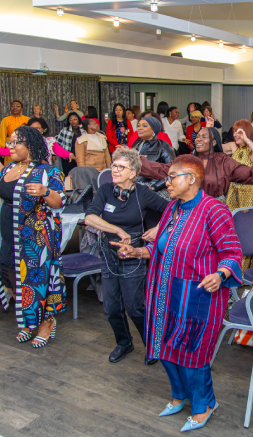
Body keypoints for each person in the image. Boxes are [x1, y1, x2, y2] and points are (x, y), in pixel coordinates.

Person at [114, 155, 243, 431]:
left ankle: (204, 405)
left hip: (196, 295)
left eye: (172, 177)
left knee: (192, 353)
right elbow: (162, 247)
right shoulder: (172, 208)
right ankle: (179, 394)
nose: (167, 182)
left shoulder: (214, 209)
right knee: (163, 346)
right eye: (167, 177)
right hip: (164, 292)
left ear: (192, 179)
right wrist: (136, 251)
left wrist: (220, 274)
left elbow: (232, 253)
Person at [0, 125, 66, 347]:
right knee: (12, 278)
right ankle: (29, 320)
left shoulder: (47, 171)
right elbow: (2, 190)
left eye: (15, 143)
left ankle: (46, 322)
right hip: (8, 235)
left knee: (36, 282)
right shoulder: (8, 168)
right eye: (9, 142)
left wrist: (45, 192)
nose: (10, 147)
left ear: (30, 145)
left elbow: (59, 202)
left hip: (35, 240)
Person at [85, 148, 169, 363]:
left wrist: (157, 229)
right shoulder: (105, 190)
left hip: (133, 254)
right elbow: (90, 218)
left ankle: (152, 344)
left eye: (121, 167)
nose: (115, 170)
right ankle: (124, 342)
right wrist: (117, 230)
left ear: (133, 173)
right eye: (114, 165)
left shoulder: (143, 193)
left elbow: (173, 210)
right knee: (111, 307)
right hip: (108, 253)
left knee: (135, 307)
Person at [138, 127, 253, 201]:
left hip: (215, 212)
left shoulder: (224, 161)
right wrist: (135, 161)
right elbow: (161, 169)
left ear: (214, 142)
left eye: (204, 137)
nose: (198, 139)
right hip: (190, 211)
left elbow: (249, 174)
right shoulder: (187, 160)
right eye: (198, 136)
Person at [221, 121, 253, 267]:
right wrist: (210, 128)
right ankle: (232, 265)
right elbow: (214, 147)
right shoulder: (233, 146)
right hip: (233, 191)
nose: (236, 134)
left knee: (247, 228)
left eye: (240, 131)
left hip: (250, 191)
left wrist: (247, 140)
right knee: (232, 226)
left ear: (247, 133)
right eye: (234, 131)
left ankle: (245, 269)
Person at [0, 117, 66, 164]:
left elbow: (61, 152)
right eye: (32, 128)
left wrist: (70, 155)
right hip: (26, 172)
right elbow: (7, 151)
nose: (34, 131)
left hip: (44, 172)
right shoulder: (23, 142)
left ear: (43, 130)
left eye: (37, 128)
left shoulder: (49, 141)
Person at [131, 115, 175, 198]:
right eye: (138, 126)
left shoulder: (163, 146)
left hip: (155, 191)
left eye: (144, 126)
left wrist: (153, 187)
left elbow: (172, 171)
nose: (140, 128)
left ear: (153, 130)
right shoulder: (136, 145)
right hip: (134, 188)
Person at [0, 100, 29, 164]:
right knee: (11, 165)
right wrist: (0, 148)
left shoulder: (27, 119)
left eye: (17, 106)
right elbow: (1, 134)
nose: (15, 107)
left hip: (24, 145)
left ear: (21, 109)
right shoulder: (6, 119)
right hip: (11, 146)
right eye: (12, 106)